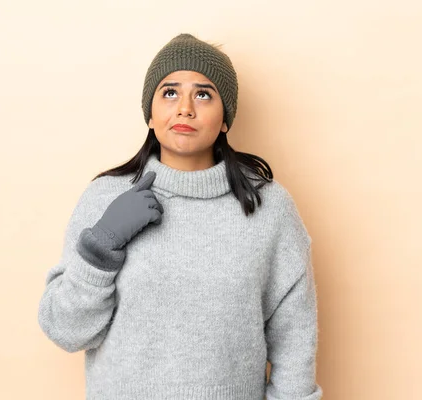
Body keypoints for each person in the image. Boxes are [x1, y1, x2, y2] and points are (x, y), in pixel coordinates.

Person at [37, 33, 323, 400]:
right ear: (150, 114)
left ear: (225, 119)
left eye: (203, 94)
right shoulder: (105, 198)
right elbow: (65, 330)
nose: (185, 108)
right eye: (169, 93)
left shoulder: (270, 209)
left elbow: (294, 339)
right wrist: (101, 246)